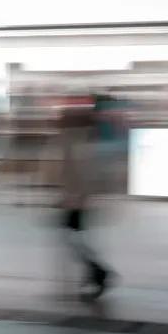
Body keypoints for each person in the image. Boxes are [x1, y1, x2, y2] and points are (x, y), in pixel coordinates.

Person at [58, 101, 113, 301]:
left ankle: (99, 273)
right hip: (75, 199)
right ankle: (95, 273)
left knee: (73, 240)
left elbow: (81, 172)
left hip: (76, 202)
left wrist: (76, 197)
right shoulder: (75, 139)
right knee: (74, 240)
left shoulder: (75, 141)